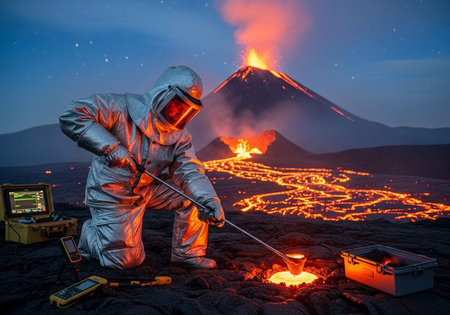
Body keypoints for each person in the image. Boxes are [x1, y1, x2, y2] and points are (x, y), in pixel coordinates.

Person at [59, 65, 225, 270]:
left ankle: (187, 254)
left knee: (195, 199)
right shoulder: (119, 107)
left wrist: (209, 200)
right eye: (177, 105)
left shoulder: (179, 136)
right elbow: (71, 114)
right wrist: (110, 147)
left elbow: (189, 171)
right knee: (125, 261)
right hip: (111, 193)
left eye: (187, 110)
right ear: (163, 93)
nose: (179, 113)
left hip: (145, 189)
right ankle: (90, 235)